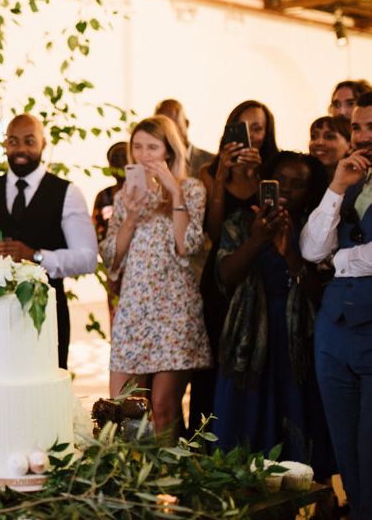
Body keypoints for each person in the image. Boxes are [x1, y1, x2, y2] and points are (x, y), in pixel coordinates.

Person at [212, 152, 333, 479]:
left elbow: (323, 296)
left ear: (310, 192)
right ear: (266, 180)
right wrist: (257, 240)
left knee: (298, 429)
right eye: (280, 181)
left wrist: (291, 255)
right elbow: (225, 276)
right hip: (248, 346)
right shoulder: (240, 221)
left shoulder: (314, 228)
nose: (287, 190)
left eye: (298, 185)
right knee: (245, 433)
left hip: (299, 345)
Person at [100, 116, 210, 439]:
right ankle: (132, 480)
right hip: (134, 309)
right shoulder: (123, 197)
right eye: (138, 147)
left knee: (163, 409)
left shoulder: (191, 189)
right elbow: (112, 258)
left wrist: (175, 194)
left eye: (152, 147)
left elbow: (187, 245)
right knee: (124, 409)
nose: (145, 154)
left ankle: (169, 483)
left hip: (174, 310)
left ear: (169, 151)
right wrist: (131, 217)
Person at [0, 113, 97, 369]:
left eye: (29, 141)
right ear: (5, 144)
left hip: (47, 312)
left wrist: (36, 256)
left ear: (43, 143)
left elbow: (88, 258)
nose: (21, 149)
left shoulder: (67, 193)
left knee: (42, 393)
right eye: (13, 141)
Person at [300, 92, 372, 520]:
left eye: (371, 128)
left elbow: (330, 257)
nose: (364, 136)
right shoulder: (351, 180)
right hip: (334, 332)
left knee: (370, 449)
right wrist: (337, 187)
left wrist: (338, 260)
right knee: (347, 451)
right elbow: (311, 249)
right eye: (358, 128)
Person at [189, 100, 279, 433]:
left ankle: (252, 434)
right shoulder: (209, 171)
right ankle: (207, 440)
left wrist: (259, 175)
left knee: (259, 357)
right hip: (222, 276)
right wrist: (224, 174)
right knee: (214, 358)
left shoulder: (273, 168)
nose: (250, 135)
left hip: (263, 273)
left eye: (257, 127)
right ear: (229, 131)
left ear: (267, 132)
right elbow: (212, 230)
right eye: (242, 127)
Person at [92, 141, 127, 327]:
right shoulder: (104, 196)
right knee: (117, 320)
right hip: (113, 267)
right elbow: (98, 233)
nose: (118, 165)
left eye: (123, 159)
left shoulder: (146, 193)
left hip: (138, 268)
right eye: (114, 161)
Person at [155, 98, 214, 178]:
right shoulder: (151, 163)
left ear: (186, 124)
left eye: (173, 125)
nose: (168, 133)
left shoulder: (211, 161)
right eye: (162, 127)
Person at [309, 115, 351, 184]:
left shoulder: (362, 185)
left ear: (350, 145)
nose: (319, 142)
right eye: (314, 136)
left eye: (329, 137)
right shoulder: (304, 180)